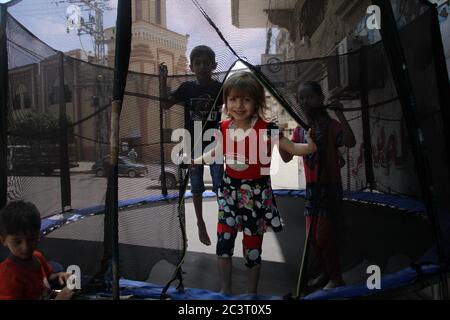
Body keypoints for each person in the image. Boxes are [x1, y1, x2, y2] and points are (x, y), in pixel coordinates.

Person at [193, 71, 317, 295]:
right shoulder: (223, 127)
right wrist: (196, 161)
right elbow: (216, 152)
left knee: (252, 248)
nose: (238, 105)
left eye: (246, 99)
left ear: (256, 101)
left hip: (255, 197)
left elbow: (293, 148)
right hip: (230, 194)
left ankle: (251, 293)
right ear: (226, 102)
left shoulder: (267, 128)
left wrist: (308, 147)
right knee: (223, 244)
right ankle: (225, 290)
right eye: (233, 99)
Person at [280, 81, 356, 290]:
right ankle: (326, 273)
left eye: (310, 97)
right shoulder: (301, 130)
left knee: (324, 236)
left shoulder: (331, 126)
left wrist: (340, 114)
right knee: (312, 238)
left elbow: (350, 142)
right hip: (312, 189)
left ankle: (336, 278)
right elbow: (287, 157)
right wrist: (279, 139)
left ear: (320, 100)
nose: (305, 102)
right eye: (302, 98)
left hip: (329, 187)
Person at [165, 45, 224, 246]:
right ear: (191, 67)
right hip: (193, 144)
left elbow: (234, 105)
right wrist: (163, 88)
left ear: (214, 66)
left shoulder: (219, 88)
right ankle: (200, 222)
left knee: (220, 185)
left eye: (206, 63)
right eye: (198, 63)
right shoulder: (187, 88)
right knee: (196, 187)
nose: (202, 66)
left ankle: (224, 221)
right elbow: (166, 104)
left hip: (214, 143)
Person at [0, 201, 74, 300]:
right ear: (3, 240)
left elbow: (49, 276)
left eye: (31, 239)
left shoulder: (37, 256)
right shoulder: (7, 275)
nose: (25, 247)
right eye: (17, 242)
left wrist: (59, 275)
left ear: (38, 236)